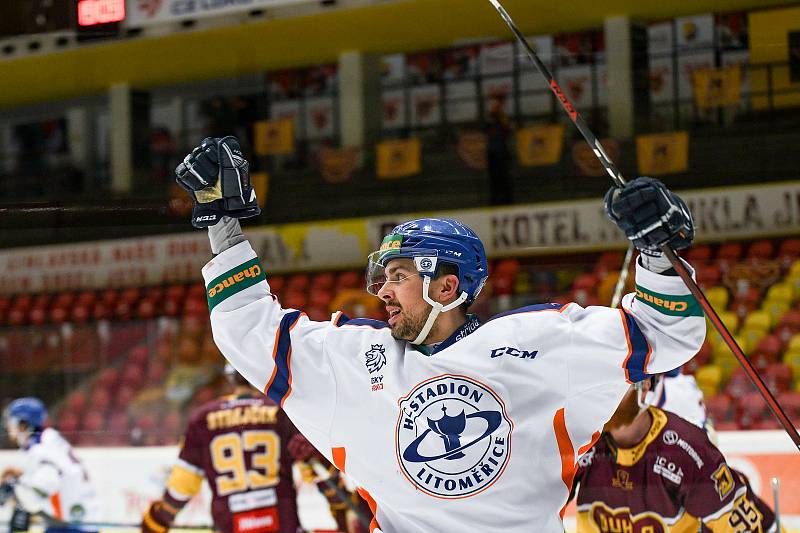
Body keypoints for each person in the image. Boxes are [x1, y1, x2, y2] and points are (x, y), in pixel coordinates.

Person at [175, 136, 705, 532]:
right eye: (380, 277)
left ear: (448, 286)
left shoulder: (544, 341)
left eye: (399, 276)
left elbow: (668, 333)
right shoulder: (355, 361)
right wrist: (222, 220)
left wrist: (659, 253)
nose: (382, 290)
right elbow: (247, 329)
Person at [141, 364, 356, 533]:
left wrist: (157, 523)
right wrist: (342, 515)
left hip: (229, 524)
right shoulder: (281, 410)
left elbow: (181, 488)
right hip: (282, 524)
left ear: (229, 378)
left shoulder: (202, 419)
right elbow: (319, 475)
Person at [573, 376, 781, 532]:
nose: (604, 398)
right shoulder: (577, 438)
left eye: (616, 387)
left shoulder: (688, 451)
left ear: (644, 387)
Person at [1, 397, 101, 533]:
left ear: (23, 424)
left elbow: (43, 486)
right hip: (79, 519)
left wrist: (14, 487)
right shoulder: (48, 439)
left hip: (73, 525)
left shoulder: (40, 449)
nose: (8, 427)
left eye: (12, 422)